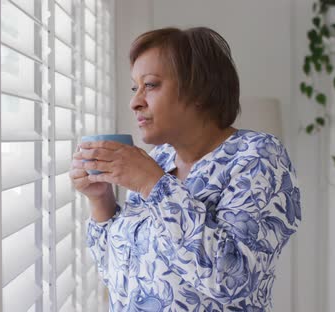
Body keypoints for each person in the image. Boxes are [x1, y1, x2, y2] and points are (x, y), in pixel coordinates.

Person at [69, 26, 301, 312]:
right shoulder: (160, 159)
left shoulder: (257, 156)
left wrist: (153, 185)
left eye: (150, 85)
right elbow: (121, 276)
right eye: (135, 87)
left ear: (199, 90)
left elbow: (232, 279)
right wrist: (100, 199)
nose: (135, 101)